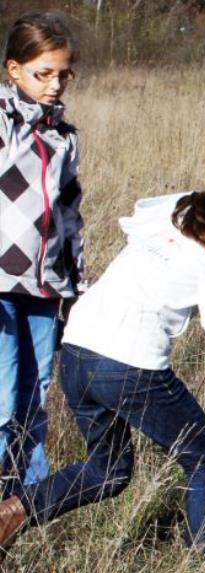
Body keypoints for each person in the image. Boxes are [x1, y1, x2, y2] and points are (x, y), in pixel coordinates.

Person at [0, 144, 205, 564]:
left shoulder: (183, 208)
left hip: (79, 348)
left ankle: (12, 512)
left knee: (109, 471)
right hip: (129, 363)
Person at [0, 12, 84, 500]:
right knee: (3, 402)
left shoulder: (64, 135)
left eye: (63, 74)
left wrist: (76, 283)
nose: (55, 84)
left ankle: (27, 511)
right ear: (14, 70)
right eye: (43, 73)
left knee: (35, 402)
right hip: (2, 286)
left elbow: (71, 215)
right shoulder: (4, 124)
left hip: (46, 287)